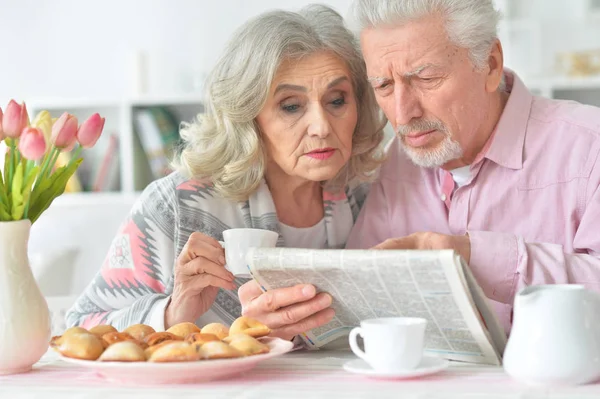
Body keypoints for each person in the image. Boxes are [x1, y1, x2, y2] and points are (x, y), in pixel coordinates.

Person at [65, 4, 385, 340]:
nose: (321, 126)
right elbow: (78, 330)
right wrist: (173, 313)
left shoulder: (368, 196)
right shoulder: (176, 207)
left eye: (337, 100)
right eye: (291, 106)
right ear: (248, 117)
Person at [344, 0, 600, 333]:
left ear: (490, 65)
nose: (403, 114)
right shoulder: (400, 156)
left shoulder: (590, 147)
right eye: (383, 86)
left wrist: (473, 257)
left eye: (426, 78)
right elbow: (357, 292)